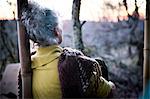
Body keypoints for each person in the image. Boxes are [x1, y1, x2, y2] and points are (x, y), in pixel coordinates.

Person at [21, 2, 115, 99]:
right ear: (57, 32)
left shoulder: (29, 64)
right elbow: (109, 92)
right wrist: (111, 85)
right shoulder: (74, 66)